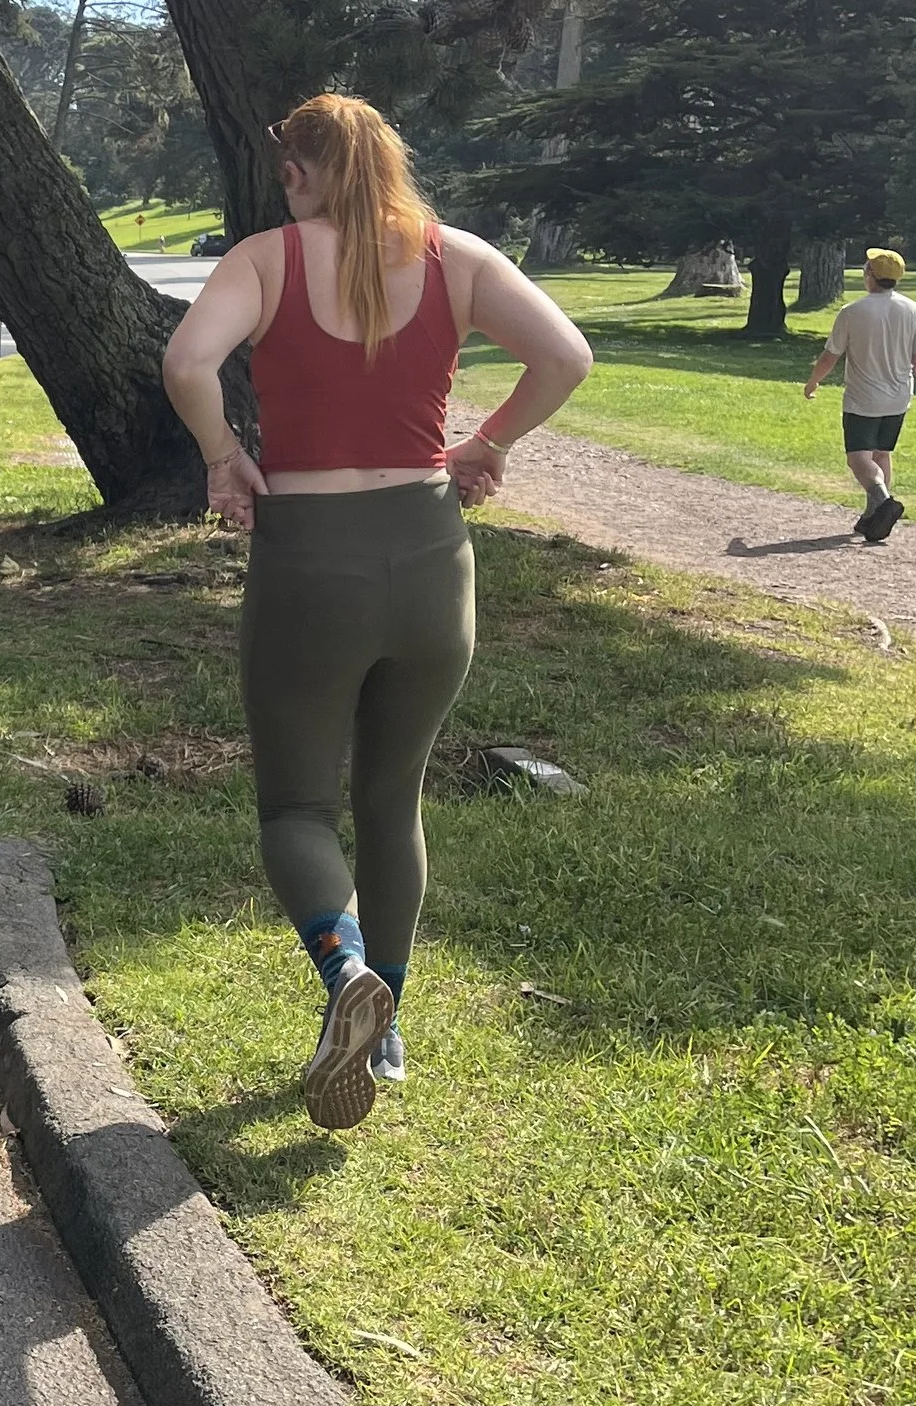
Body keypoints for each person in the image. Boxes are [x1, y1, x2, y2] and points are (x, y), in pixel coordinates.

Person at [161, 97, 593, 1131]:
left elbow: (186, 363)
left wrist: (224, 458)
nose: (283, 186)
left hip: (312, 557)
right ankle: (385, 1031)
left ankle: (345, 966)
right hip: (432, 555)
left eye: (288, 169)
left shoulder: (266, 260)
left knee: (294, 811)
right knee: (391, 802)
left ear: (307, 169)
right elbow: (567, 357)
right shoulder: (460, 257)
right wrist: (486, 442)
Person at [804, 250, 916, 542]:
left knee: (858, 458)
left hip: (863, 397)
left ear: (871, 277)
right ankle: (873, 517)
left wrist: (813, 382)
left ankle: (883, 501)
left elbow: (830, 356)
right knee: (881, 454)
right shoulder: (914, 310)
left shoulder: (852, 312)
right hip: (899, 396)